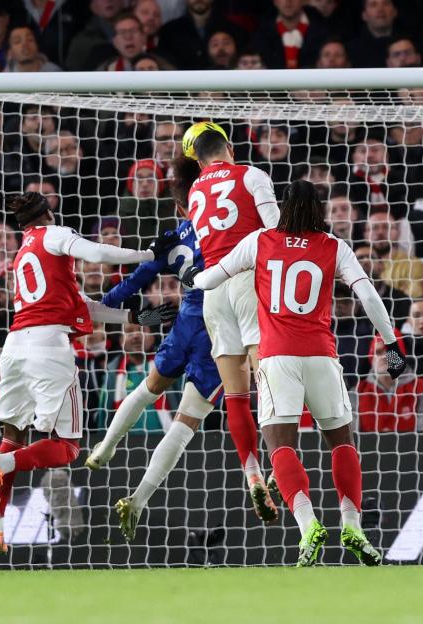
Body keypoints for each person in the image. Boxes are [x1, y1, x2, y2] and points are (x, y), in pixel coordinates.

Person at [184, 180, 408, 566]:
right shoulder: (334, 246)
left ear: (282, 208)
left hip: (276, 359)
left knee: (280, 445)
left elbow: (211, 277)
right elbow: (368, 295)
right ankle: (352, 524)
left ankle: (308, 526)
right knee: (342, 443)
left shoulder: (260, 240)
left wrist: (192, 278)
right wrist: (392, 345)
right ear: (319, 210)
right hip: (322, 355)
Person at [0, 192, 179, 557]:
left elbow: (82, 306)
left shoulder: (24, 254)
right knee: (66, 447)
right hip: (48, 348)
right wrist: (148, 255)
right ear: (48, 214)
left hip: (15, 347)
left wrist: (134, 318)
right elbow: (98, 253)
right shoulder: (52, 234)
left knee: (12, 437)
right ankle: (0, 464)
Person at [85, 157, 225, 541]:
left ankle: (104, 447)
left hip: (186, 322)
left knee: (148, 388)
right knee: (186, 423)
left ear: (180, 206)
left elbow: (137, 279)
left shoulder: (174, 235)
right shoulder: (229, 232)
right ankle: (140, 499)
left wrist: (102, 307)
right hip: (220, 331)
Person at [177, 121, 282, 523]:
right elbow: (275, 232)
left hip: (212, 291)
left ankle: (251, 474)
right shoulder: (252, 175)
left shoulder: (195, 190)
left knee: (235, 394)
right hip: (248, 282)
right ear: (228, 148)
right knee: (271, 378)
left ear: (197, 159)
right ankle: (278, 464)